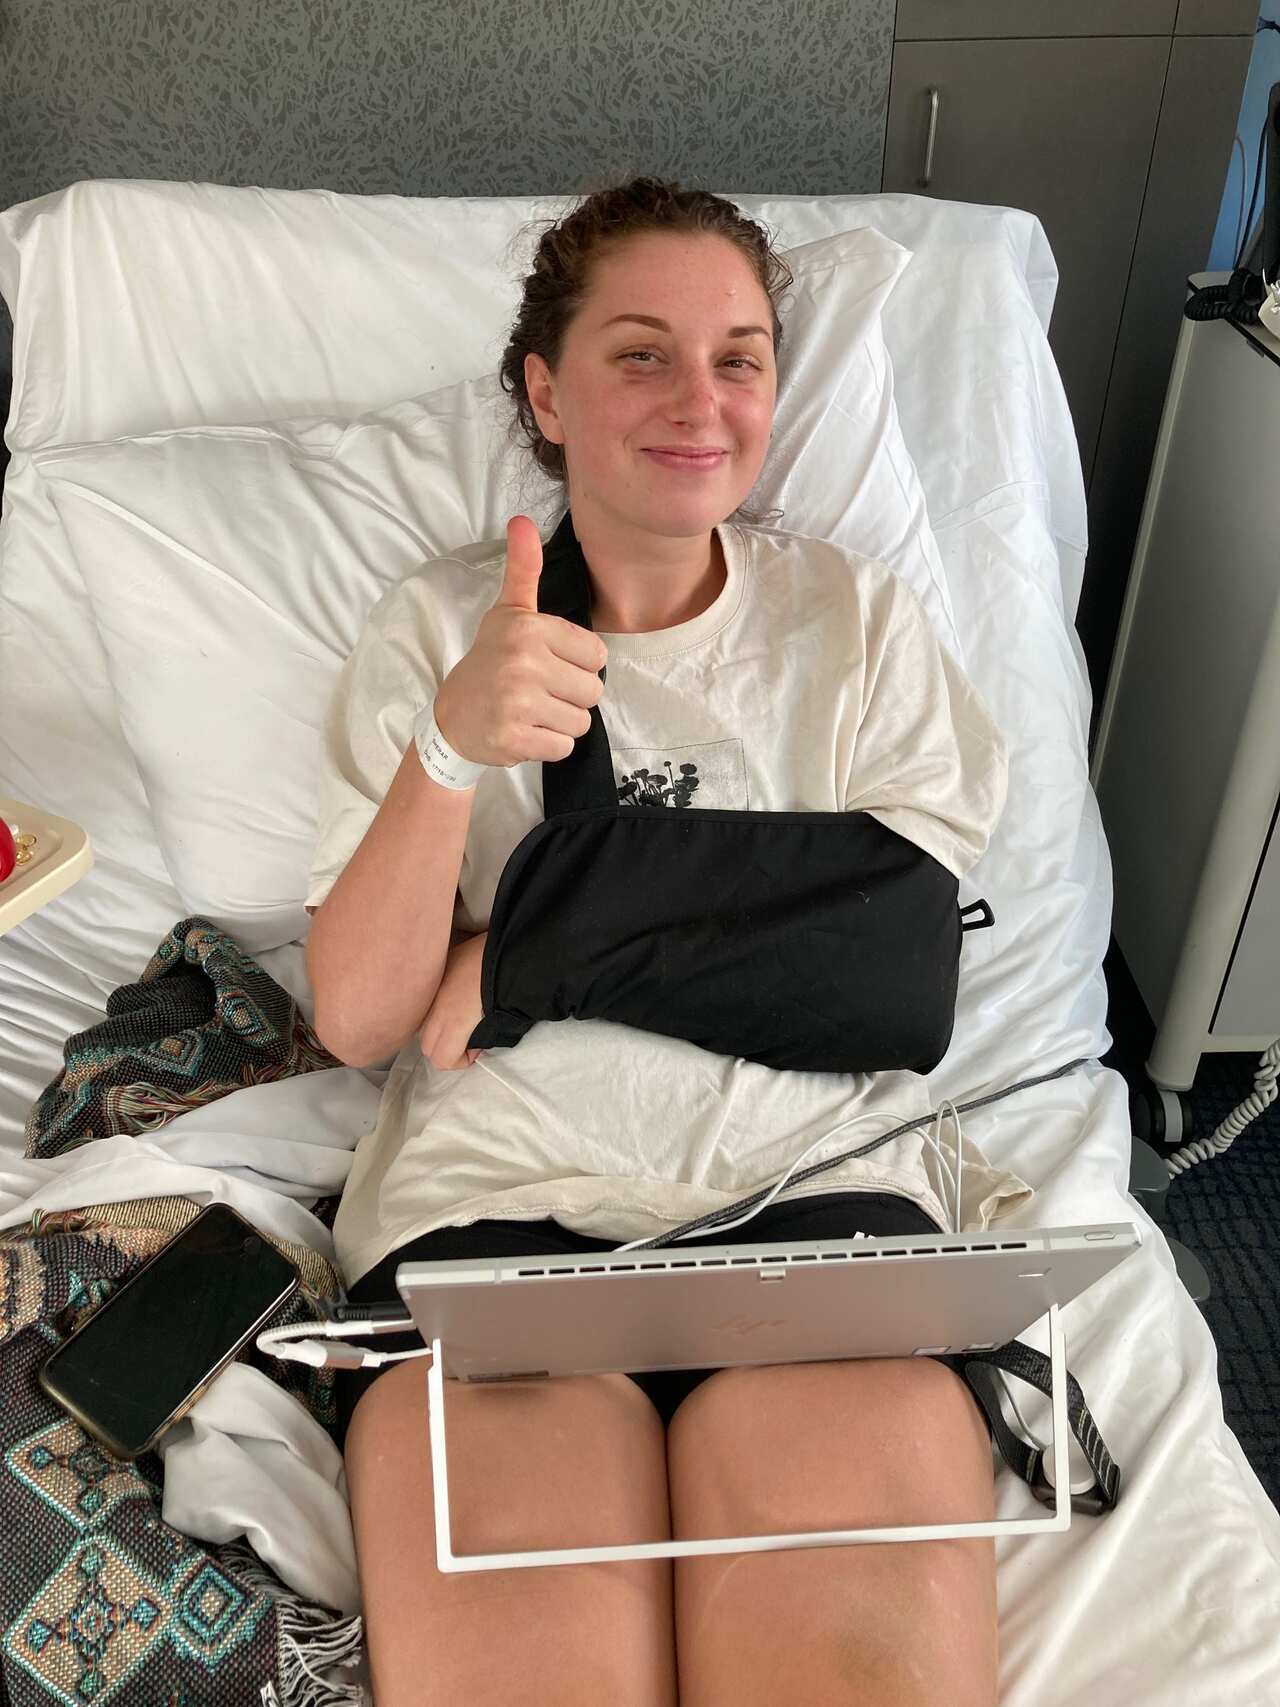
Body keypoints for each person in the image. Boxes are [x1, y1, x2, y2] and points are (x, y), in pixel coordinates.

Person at [304, 174, 1018, 1706]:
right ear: (546, 393)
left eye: (741, 357)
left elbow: (892, 973)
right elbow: (362, 1019)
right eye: (641, 354)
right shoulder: (439, 635)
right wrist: (447, 751)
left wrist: (519, 955)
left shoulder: (860, 629)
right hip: (498, 1221)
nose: (700, 401)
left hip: (817, 1216)